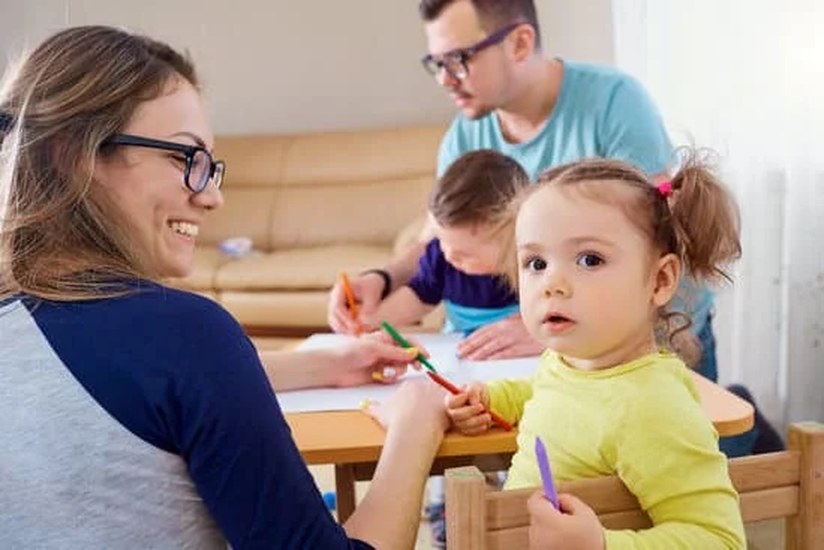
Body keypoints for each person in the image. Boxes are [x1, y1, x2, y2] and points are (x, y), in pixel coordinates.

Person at [0, 25, 450, 549]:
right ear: (75, 155)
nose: (212, 198)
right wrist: (415, 428)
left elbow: (113, 384)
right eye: (184, 158)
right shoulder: (187, 335)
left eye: (211, 167)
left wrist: (318, 363)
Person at [327, 0, 721, 370]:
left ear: (519, 42)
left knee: (705, 439)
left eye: (459, 59)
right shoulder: (464, 135)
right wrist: (381, 280)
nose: (445, 80)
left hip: (653, 337)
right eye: (437, 63)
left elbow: (647, 247)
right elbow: (438, 241)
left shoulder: (614, 102)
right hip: (555, 341)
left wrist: (544, 323)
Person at [446, 154, 746, 548]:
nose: (552, 283)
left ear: (660, 280)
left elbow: (720, 539)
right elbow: (549, 394)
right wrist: (492, 400)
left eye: (590, 259)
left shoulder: (652, 408)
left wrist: (601, 545)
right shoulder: (568, 361)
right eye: (535, 262)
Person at [368, 149, 540, 357]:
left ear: (512, 236)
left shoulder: (536, 265)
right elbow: (417, 297)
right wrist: (367, 321)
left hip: (523, 358)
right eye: (442, 241)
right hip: (462, 355)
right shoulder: (441, 259)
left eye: (465, 253)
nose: (449, 255)